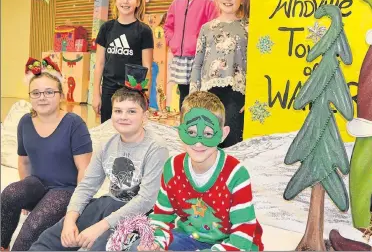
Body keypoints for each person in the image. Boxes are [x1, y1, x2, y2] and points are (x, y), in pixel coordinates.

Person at [30, 64, 169, 251]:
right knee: (49, 239)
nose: (123, 117)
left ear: (144, 117)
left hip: (140, 215)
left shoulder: (156, 147)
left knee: (100, 246)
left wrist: (102, 226)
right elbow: (87, 185)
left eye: (131, 111)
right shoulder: (107, 144)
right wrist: (70, 219)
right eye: (118, 111)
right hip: (108, 204)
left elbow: (146, 200)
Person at [131, 91, 264, 251]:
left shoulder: (236, 174)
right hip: (188, 238)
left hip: (233, 244)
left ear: (222, 134)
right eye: (191, 133)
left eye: (208, 134)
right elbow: (161, 217)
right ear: (180, 132)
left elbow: (242, 236)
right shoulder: (172, 168)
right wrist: (156, 242)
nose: (199, 143)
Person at [1, 57, 92, 251]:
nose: (42, 97)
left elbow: (85, 170)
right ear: (30, 97)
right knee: (9, 194)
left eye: (49, 92)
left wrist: (75, 209)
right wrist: (26, 194)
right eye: (36, 93)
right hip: (38, 184)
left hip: (66, 190)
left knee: (31, 227)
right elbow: (24, 162)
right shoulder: (24, 122)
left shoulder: (74, 124)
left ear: (61, 95)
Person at [189, 0, 250, 148]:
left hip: (237, 95)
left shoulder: (250, 28)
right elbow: (198, 64)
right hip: (208, 95)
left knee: (230, 142)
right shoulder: (207, 28)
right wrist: (193, 97)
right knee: (207, 141)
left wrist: (254, 98)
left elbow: (258, 66)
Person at [92, 0, 154, 123]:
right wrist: (96, 94)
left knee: (129, 130)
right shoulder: (106, 28)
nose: (125, 2)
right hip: (109, 90)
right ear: (115, 0)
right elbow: (99, 63)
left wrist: (146, 96)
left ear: (138, 2)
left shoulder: (144, 31)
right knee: (108, 131)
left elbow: (147, 68)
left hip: (133, 91)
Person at [164, 0, 219, 110]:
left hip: (199, 59)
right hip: (181, 59)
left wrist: (200, 47)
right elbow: (168, 26)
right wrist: (173, 41)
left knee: (199, 97)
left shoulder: (209, 2)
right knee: (184, 96)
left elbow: (214, 29)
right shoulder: (176, 2)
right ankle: (185, 125)